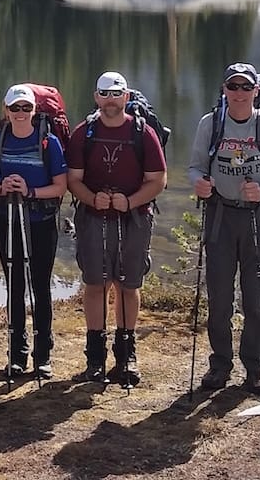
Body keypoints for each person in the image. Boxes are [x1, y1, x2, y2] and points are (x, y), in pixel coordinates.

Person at [189, 62, 260, 394]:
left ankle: (255, 367)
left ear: (255, 92)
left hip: (257, 220)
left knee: (255, 298)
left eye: (244, 87)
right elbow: (194, 168)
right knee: (219, 298)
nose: (238, 93)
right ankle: (219, 366)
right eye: (232, 87)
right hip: (220, 217)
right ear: (224, 90)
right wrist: (200, 185)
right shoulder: (211, 125)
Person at [66, 71, 167, 386]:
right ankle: (95, 360)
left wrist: (131, 201)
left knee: (127, 285)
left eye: (116, 94)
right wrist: (91, 199)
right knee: (95, 284)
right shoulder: (84, 133)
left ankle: (126, 357)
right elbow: (73, 180)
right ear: (96, 97)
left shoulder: (143, 133)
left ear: (126, 97)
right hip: (93, 218)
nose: (110, 101)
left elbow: (158, 180)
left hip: (133, 219)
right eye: (104, 94)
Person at [0, 84, 69, 380]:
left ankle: (42, 356)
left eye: (26, 108)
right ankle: (16, 355)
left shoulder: (49, 142)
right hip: (8, 219)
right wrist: (3, 188)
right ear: (6, 110)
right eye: (15, 108)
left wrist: (29, 191)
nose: (20, 113)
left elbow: (60, 187)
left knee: (40, 287)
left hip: (41, 222)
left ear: (34, 110)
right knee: (14, 286)